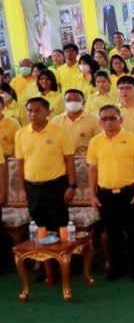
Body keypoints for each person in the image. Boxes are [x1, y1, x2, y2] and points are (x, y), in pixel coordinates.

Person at [87, 105, 134, 280]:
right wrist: (92, 194)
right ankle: (117, 267)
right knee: (112, 233)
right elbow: (92, 169)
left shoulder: (133, 139)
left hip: (130, 193)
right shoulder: (95, 142)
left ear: (120, 119)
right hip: (105, 194)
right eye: (104, 119)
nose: (108, 122)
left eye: (112, 118)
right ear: (99, 122)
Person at [14, 97, 76, 234]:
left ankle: (64, 248)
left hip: (56, 186)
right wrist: (23, 189)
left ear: (48, 112)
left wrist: (72, 185)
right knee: (39, 226)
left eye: (37, 110)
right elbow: (20, 164)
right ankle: (43, 248)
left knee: (60, 224)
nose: (33, 114)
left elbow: (69, 160)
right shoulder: (20, 134)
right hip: (32, 187)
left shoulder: (61, 132)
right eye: (29, 110)